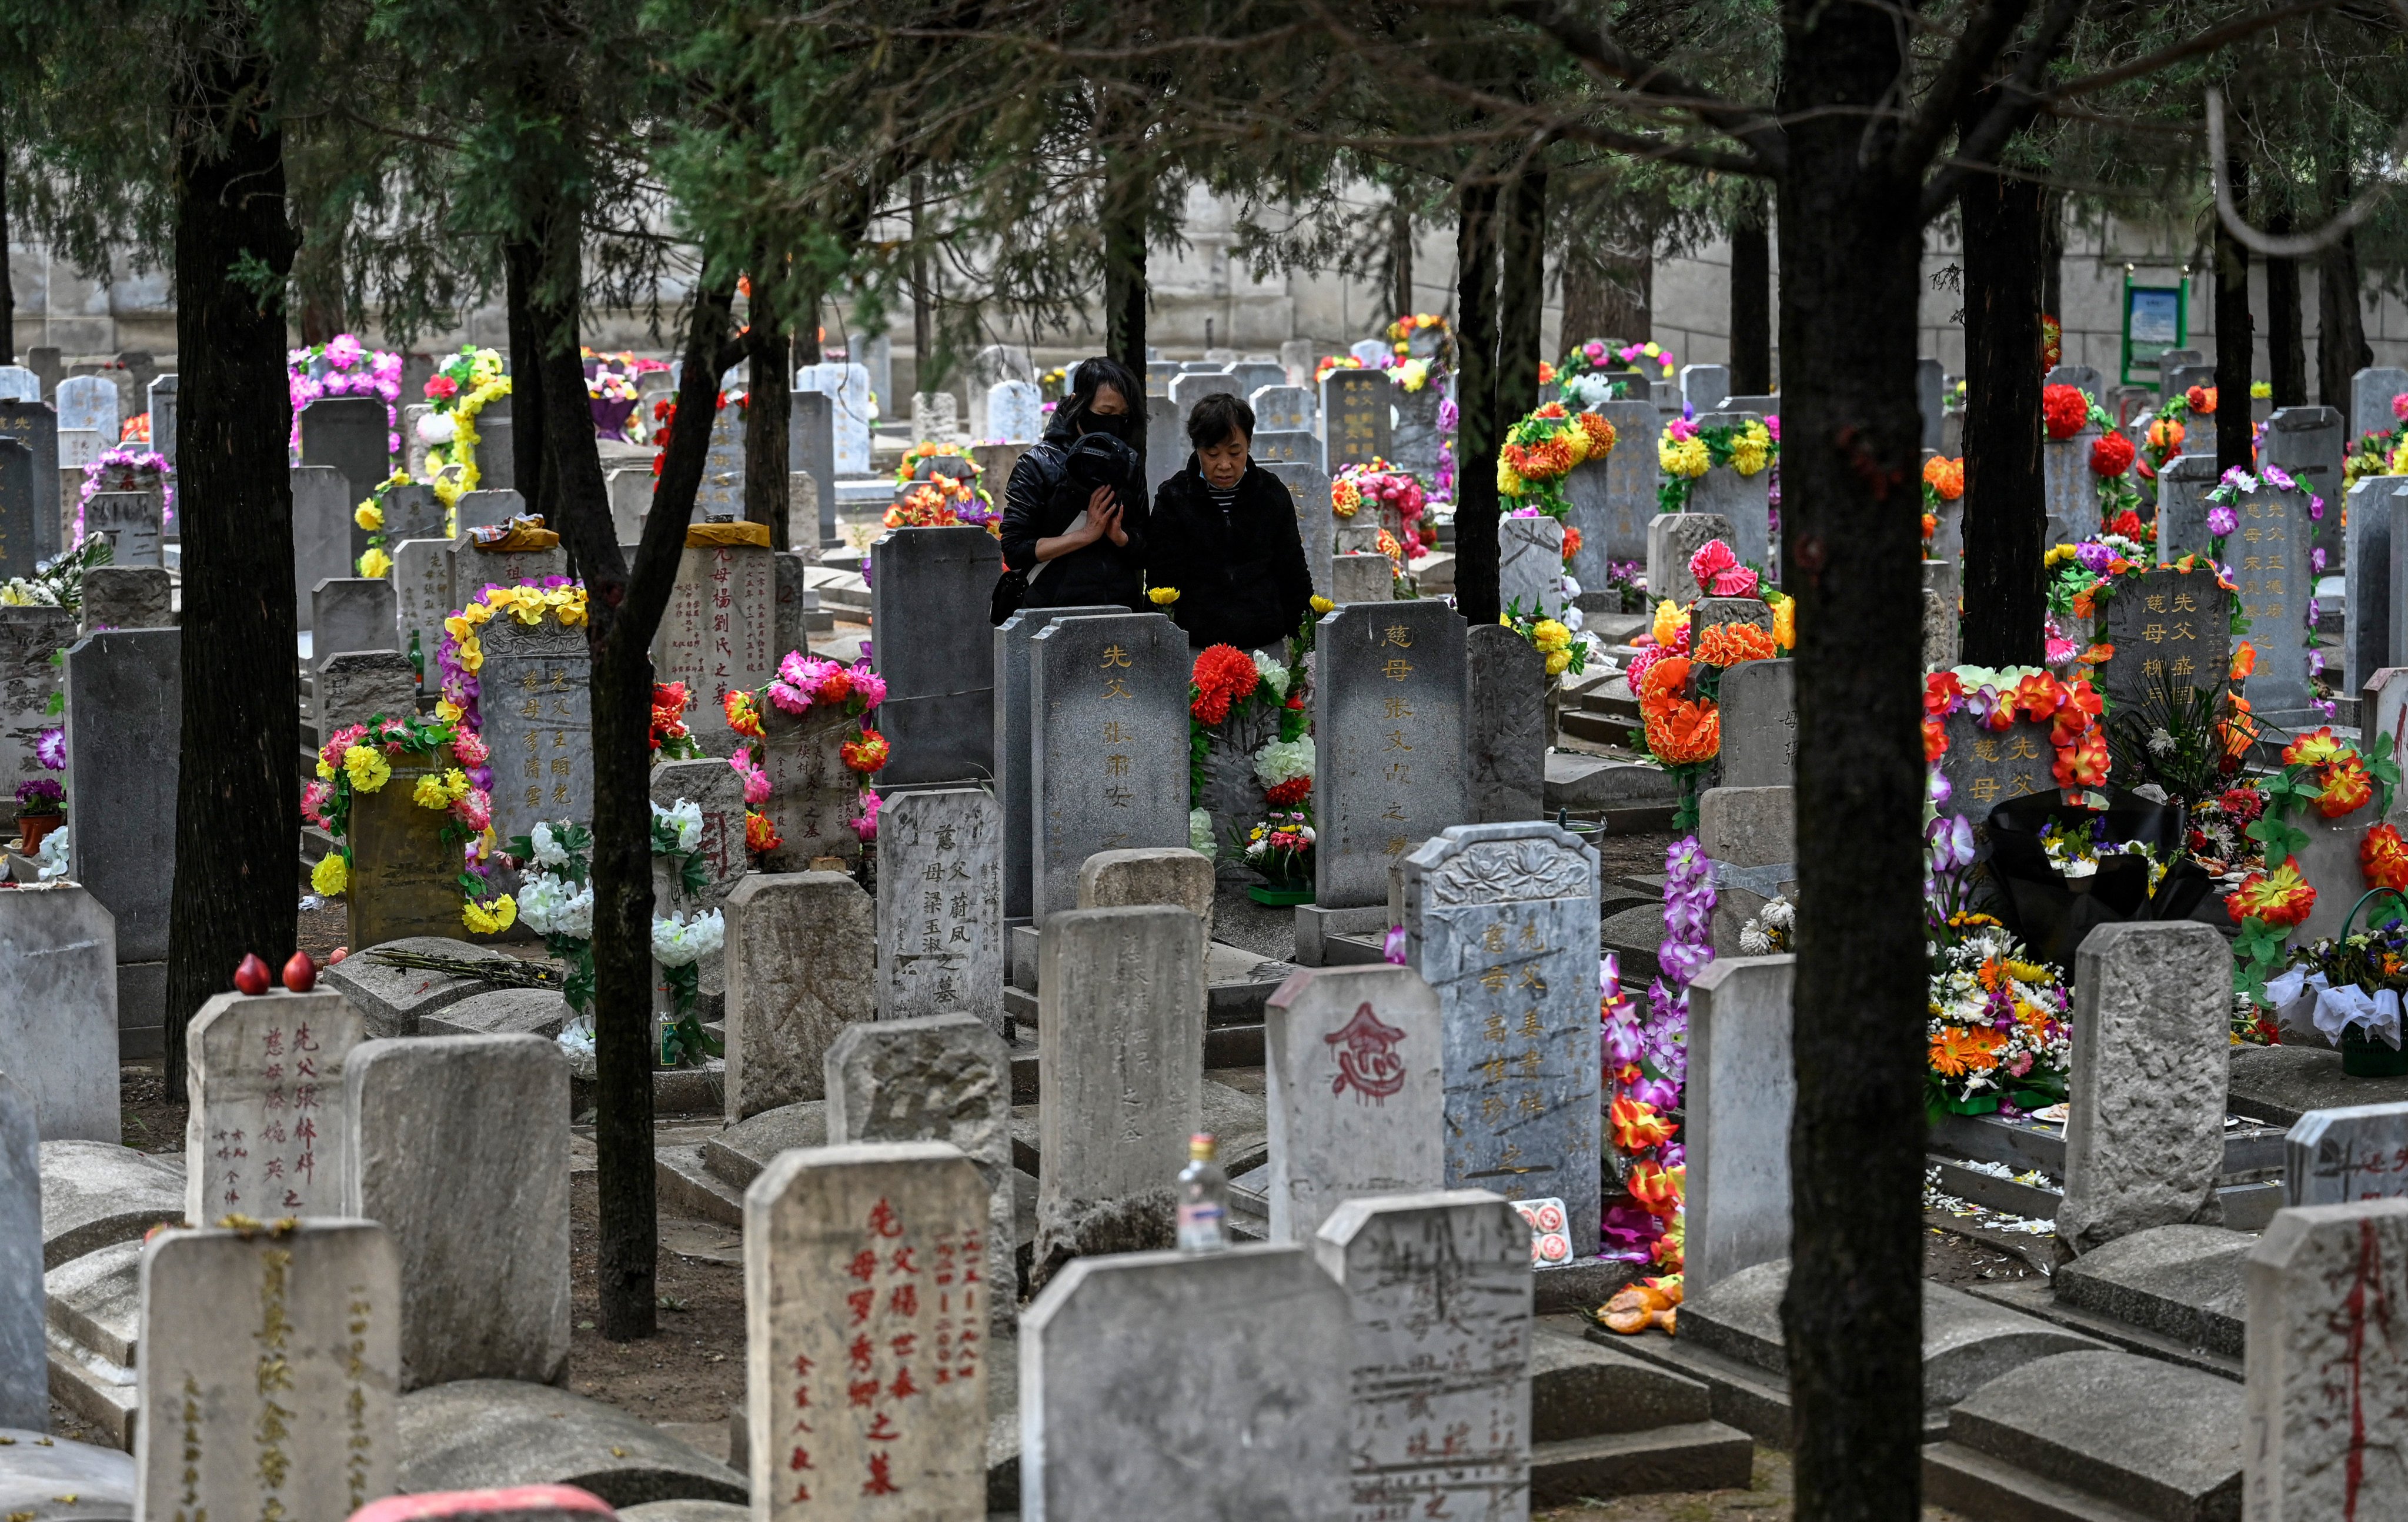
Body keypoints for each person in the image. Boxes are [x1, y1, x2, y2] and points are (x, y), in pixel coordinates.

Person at [1147, 392, 1315, 650]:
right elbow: (1162, 580)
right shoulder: (1174, 498)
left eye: (1235, 452)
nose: (1224, 465)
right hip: (1196, 646)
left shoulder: (1271, 493)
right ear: (1197, 449)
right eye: (1212, 454)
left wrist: (1307, 644)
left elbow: (1292, 572)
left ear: (1249, 444)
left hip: (1264, 642)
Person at [999, 358, 1150, 612]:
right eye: (1104, 413)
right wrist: (1085, 535)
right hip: (1051, 611)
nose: (1113, 423)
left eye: (1122, 416)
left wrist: (1121, 538)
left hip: (1119, 608)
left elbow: (1146, 546)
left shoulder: (1130, 463)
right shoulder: (1037, 463)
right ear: (1078, 403)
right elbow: (1015, 549)